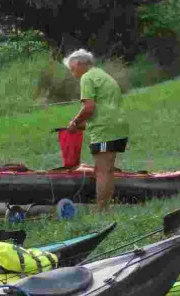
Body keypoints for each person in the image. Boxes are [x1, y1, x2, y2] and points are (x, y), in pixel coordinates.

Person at [65, 49, 129, 209]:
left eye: (73, 69)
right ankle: (105, 206)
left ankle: (101, 209)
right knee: (107, 170)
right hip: (117, 126)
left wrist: (74, 122)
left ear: (81, 64)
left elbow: (89, 107)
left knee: (102, 171)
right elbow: (104, 108)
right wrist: (84, 124)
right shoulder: (102, 75)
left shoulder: (87, 77)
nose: (73, 74)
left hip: (105, 130)